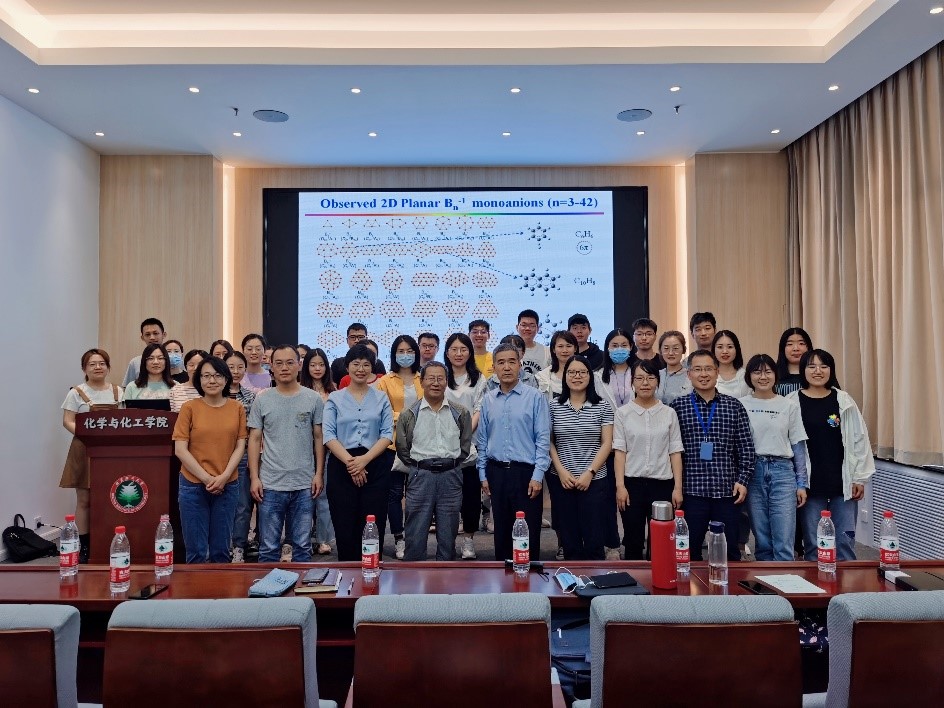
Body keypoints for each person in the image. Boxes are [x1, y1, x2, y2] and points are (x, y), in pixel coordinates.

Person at [788, 349, 874, 562]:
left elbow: (859, 439)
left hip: (842, 483)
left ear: (831, 370)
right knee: (814, 544)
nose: (818, 371)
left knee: (845, 542)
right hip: (809, 485)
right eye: (811, 366)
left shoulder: (843, 400)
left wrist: (859, 478)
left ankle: (847, 583)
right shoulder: (792, 401)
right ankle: (815, 583)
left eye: (823, 366)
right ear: (803, 370)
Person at [671, 349, 756, 561]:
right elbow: (671, 451)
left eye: (708, 369)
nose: (703, 374)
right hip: (691, 491)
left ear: (717, 372)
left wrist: (743, 480)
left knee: (730, 553)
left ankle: (729, 584)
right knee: (688, 553)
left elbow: (746, 447)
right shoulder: (677, 407)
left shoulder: (734, 406)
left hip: (726, 491)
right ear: (689, 374)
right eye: (697, 369)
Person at [247, 345, 326, 563]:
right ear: (271, 367)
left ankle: (302, 586)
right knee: (268, 548)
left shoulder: (313, 398)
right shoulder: (262, 399)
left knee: (302, 547)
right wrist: (254, 477)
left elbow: (319, 437)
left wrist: (319, 473)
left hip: (304, 483)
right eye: (279, 363)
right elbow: (254, 439)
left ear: (299, 365)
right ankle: (268, 586)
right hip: (270, 484)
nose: (284, 368)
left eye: (290, 362)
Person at [477, 343, 550, 562]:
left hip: (526, 474)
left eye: (511, 361)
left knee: (528, 535)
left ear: (520, 365)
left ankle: (529, 580)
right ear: (494, 368)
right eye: (501, 362)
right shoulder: (488, 400)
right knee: (501, 534)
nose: (507, 367)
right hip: (496, 473)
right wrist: (482, 474)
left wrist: (538, 476)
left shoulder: (535, 397)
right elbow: (482, 440)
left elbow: (543, 439)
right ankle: (504, 580)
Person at [322, 344, 395, 561]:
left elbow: (387, 435)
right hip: (341, 465)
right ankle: (347, 573)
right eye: (356, 364)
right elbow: (328, 435)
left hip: (375, 464)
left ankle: (371, 571)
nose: (361, 369)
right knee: (344, 523)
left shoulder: (381, 398)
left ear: (372, 368)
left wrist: (364, 460)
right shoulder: (335, 399)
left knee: (373, 522)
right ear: (347, 367)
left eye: (366, 365)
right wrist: (352, 463)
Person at [172, 357, 247, 563]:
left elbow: (240, 446)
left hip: (227, 484)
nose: (212, 380)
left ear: (226, 379)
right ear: (199, 380)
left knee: (221, 551)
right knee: (196, 552)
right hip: (193, 485)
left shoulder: (237, 408)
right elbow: (180, 450)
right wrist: (207, 479)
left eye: (217, 375)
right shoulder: (189, 408)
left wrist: (223, 477)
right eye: (206, 376)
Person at [396, 362, 473, 561]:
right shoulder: (409, 414)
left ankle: (446, 574)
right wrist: (420, 466)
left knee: (449, 531)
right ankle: (413, 573)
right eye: (431, 378)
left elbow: (464, 446)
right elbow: (403, 448)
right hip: (420, 475)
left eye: (440, 378)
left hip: (451, 476)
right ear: (421, 382)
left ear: (447, 382)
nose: (436, 383)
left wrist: (450, 464)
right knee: (415, 530)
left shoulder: (461, 412)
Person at [740, 354, 809, 561]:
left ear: (776, 375)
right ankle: (766, 580)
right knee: (762, 540)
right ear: (749, 376)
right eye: (757, 372)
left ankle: (786, 580)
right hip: (753, 471)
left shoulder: (788, 405)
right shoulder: (740, 405)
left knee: (783, 539)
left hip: (783, 472)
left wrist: (801, 483)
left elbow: (798, 445)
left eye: (768, 372)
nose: (763, 377)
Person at [614, 359, 684, 560]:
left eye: (650, 378)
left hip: (662, 485)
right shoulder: (623, 413)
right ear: (632, 382)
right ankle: (634, 580)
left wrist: (677, 488)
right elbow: (620, 452)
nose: (645, 383)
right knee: (633, 541)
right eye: (639, 378)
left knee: (660, 543)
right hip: (632, 485)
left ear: (657, 382)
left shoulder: (669, 413)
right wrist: (620, 486)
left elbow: (675, 452)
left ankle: (659, 579)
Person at [548, 355, 614, 560]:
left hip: (594, 480)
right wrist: (561, 471)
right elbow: (549, 442)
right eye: (572, 372)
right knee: (569, 540)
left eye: (582, 372)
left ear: (590, 376)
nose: (577, 376)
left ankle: (596, 578)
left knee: (594, 538)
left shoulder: (602, 406)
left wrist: (590, 472)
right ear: (565, 376)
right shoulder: (553, 406)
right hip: (563, 480)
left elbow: (607, 443)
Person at [59, 349, 122, 563]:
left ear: (108, 367)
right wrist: (88, 436)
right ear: (84, 368)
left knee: (112, 497)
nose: (97, 367)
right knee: (84, 499)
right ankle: (84, 546)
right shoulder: (76, 392)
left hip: (113, 451)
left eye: (102, 363)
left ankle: (110, 540)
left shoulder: (118, 391)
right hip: (84, 448)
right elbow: (67, 420)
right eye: (92, 364)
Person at [376, 335, 424, 559]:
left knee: (416, 495)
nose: (405, 355)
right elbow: (382, 412)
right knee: (394, 495)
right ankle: (399, 538)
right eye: (401, 351)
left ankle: (415, 536)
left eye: (409, 351)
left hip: (421, 445)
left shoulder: (423, 377)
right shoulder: (385, 381)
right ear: (394, 354)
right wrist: (407, 416)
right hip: (392, 445)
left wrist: (404, 416)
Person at [443, 332, 489, 558]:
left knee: (471, 496)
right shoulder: (441, 375)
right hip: (443, 444)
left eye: (463, 349)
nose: (459, 353)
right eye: (454, 349)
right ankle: (446, 541)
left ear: (470, 353)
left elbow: (479, 408)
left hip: (471, 445)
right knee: (447, 497)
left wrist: (464, 432)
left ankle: (468, 540)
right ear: (447, 352)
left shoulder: (478, 378)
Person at [301, 347, 337, 555]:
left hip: (328, 449)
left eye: (321, 364)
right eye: (313, 365)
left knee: (323, 496)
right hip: (303, 449)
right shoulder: (299, 390)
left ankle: (323, 539)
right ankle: (303, 538)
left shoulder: (333, 392)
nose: (317, 368)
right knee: (304, 496)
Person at [224, 351, 256, 563]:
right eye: (230, 367)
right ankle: (220, 545)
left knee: (243, 505)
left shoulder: (251, 397)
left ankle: (238, 547)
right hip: (218, 455)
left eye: (240, 367)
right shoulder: (214, 394)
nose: (235, 371)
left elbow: (253, 430)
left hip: (243, 455)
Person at [122, 317, 166, 386]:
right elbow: (127, 388)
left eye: (155, 333)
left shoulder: (174, 360)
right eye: (147, 334)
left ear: (164, 335)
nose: (152, 337)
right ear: (142, 338)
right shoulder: (135, 362)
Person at [536, 330, 578, 402]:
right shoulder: (542, 376)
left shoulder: (585, 374)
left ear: (575, 348)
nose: (565, 350)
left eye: (568, 346)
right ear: (553, 349)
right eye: (560, 346)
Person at [598, 328, 634, 410]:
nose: (619, 349)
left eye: (624, 345)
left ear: (631, 347)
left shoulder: (637, 372)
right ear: (608, 347)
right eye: (614, 346)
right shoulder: (598, 375)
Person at [655, 330, 692, 404]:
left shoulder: (691, 376)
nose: (671, 353)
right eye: (666, 348)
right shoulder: (656, 375)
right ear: (660, 351)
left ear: (683, 350)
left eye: (675, 348)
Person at [775, 327, 814, 396]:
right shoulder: (772, 374)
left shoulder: (817, 373)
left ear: (808, 347)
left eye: (801, 343)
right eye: (790, 344)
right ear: (783, 349)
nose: (796, 348)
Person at [713, 330, 750, 399]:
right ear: (713, 350)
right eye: (720, 347)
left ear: (736, 349)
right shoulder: (709, 375)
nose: (725, 351)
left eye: (730, 347)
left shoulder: (746, 376)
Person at [517, 309, 551, 374]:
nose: (527, 328)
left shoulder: (548, 352)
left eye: (532, 326)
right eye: (524, 325)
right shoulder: (508, 351)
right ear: (517, 327)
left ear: (537, 329)